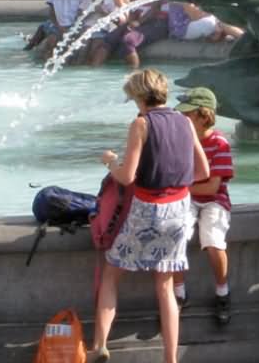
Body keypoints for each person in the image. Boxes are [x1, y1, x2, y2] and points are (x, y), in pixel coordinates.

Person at [92, 68, 208, 363]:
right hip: (180, 209)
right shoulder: (184, 121)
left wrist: (110, 162)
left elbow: (127, 176)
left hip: (148, 209)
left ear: (138, 96)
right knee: (165, 285)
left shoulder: (141, 124)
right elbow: (203, 171)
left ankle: (100, 345)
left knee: (111, 273)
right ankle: (170, 359)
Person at [168, 88, 232, 325]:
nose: (183, 120)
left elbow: (213, 188)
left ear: (204, 116)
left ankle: (223, 292)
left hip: (214, 201)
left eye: (188, 115)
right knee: (177, 236)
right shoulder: (181, 141)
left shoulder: (220, 144)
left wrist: (180, 189)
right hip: (188, 199)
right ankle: (179, 292)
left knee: (213, 241)